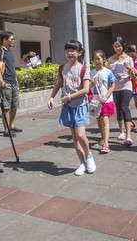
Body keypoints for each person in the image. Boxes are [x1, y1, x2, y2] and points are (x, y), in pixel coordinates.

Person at [47, 40, 95, 175]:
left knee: (80, 135)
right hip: (68, 107)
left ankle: (89, 155)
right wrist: (51, 97)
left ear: (79, 53)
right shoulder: (63, 68)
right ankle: (82, 163)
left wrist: (68, 97)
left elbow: (86, 89)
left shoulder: (83, 69)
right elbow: (58, 84)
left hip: (80, 105)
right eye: (67, 50)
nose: (69, 53)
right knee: (74, 137)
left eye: (73, 50)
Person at [0, 31, 22, 137]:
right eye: (11, 39)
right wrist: (1, 80)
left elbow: (11, 66)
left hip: (13, 82)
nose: (13, 40)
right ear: (5, 40)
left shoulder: (10, 51)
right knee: (6, 107)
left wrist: (15, 78)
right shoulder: (0, 50)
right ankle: (6, 130)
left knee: (14, 106)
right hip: (6, 82)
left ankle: (12, 126)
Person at [108, 37, 135, 146]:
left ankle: (128, 135)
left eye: (119, 46)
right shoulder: (110, 59)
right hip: (115, 87)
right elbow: (108, 76)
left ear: (123, 45)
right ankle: (121, 131)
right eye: (115, 46)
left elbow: (133, 77)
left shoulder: (128, 58)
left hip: (126, 85)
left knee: (124, 108)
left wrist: (129, 69)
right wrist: (109, 71)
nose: (117, 48)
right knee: (118, 109)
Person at [89, 50, 116, 153]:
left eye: (99, 58)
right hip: (95, 101)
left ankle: (106, 144)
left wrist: (106, 96)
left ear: (104, 59)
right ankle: (103, 138)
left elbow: (112, 86)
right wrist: (92, 83)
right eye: (95, 59)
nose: (97, 61)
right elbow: (87, 87)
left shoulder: (108, 72)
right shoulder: (91, 73)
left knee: (104, 120)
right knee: (99, 121)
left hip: (106, 100)